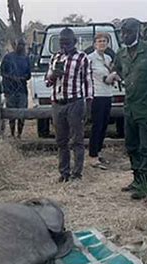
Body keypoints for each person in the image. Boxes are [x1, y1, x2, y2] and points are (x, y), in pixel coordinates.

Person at [111, 18, 147, 199]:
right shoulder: (121, 53)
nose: (124, 35)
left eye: (128, 32)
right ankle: (137, 179)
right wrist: (113, 75)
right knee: (131, 145)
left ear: (137, 31)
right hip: (129, 106)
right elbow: (116, 69)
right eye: (122, 32)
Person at [45, 28, 94, 182]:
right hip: (58, 103)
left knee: (77, 140)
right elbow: (47, 82)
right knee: (61, 140)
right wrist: (53, 75)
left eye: (67, 43)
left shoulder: (82, 58)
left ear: (74, 42)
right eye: (61, 43)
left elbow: (88, 81)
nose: (64, 46)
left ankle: (77, 174)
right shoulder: (55, 58)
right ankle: (64, 172)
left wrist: (89, 102)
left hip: (75, 102)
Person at [87, 33, 114, 170]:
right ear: (94, 44)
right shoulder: (90, 58)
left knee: (104, 126)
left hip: (108, 94)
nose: (102, 43)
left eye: (104, 41)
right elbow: (105, 78)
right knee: (96, 126)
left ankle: (98, 152)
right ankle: (92, 156)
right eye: (99, 41)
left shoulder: (108, 58)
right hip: (96, 95)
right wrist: (113, 76)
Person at [0, 37, 31, 139]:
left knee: (22, 113)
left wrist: (22, 78)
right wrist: (12, 78)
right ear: (15, 45)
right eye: (19, 44)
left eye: (23, 45)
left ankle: (19, 134)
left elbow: (29, 75)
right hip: (10, 90)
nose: (21, 47)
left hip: (22, 90)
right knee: (11, 114)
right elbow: (2, 72)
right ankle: (12, 133)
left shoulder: (26, 58)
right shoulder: (8, 57)